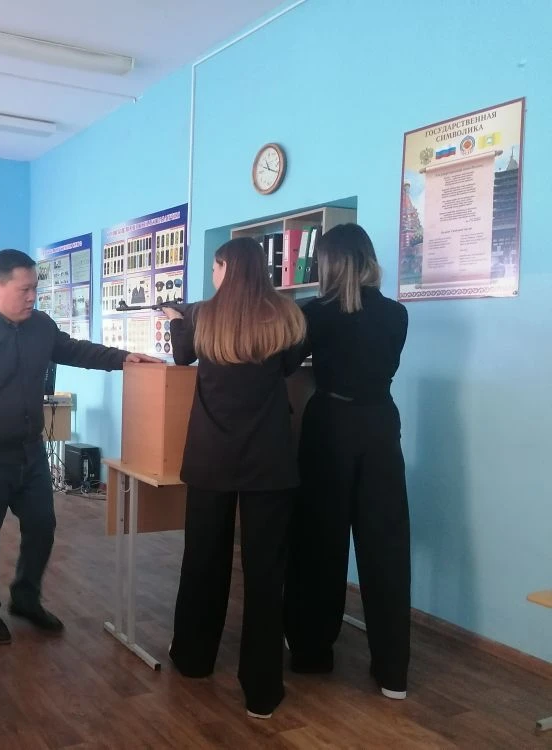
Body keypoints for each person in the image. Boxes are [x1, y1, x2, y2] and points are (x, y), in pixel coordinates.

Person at [0, 249, 160, 644]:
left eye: (35, 290)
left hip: (30, 452)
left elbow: (75, 349)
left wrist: (124, 358)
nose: (32, 298)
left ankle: (26, 598)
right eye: (24, 290)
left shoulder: (40, 326)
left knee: (42, 526)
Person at [162, 237, 305, 719]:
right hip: (269, 458)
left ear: (225, 268)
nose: (212, 275)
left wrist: (175, 319)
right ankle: (262, 688)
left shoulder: (202, 317)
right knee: (265, 573)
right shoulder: (287, 317)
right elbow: (288, 367)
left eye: (215, 267)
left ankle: (193, 658)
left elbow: (182, 357)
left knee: (204, 558)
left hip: (211, 456)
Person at [283, 223, 411, 700]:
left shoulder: (314, 313)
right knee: (386, 547)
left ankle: (312, 653)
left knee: (320, 542)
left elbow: (286, 363)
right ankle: (393, 672)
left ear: (329, 263)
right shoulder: (397, 314)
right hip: (381, 428)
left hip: (331, 427)